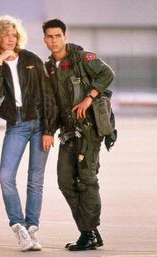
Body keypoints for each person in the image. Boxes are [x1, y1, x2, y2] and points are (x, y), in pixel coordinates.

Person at [0, 15, 56, 252]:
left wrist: (49, 129)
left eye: (14, 34)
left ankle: (32, 229)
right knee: (6, 177)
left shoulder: (31, 59)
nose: (11, 39)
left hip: (40, 123)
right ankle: (18, 226)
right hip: (17, 125)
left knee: (35, 180)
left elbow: (48, 95)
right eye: (6, 35)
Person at [42, 19, 115, 251]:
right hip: (68, 131)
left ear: (65, 36)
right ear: (45, 39)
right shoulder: (49, 67)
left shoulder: (82, 58)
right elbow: (51, 102)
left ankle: (88, 233)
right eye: (49, 37)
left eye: (57, 36)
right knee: (65, 180)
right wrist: (48, 130)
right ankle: (90, 231)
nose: (54, 41)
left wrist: (89, 96)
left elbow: (107, 73)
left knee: (87, 181)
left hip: (89, 129)